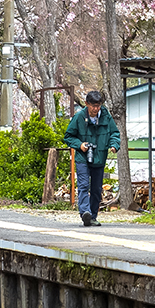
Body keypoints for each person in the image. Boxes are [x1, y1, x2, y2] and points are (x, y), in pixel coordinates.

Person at [62, 90, 121, 227]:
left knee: (96, 189)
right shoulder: (79, 117)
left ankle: (92, 217)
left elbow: (114, 133)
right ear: (86, 104)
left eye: (98, 106)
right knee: (83, 185)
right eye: (93, 106)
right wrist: (80, 145)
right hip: (83, 157)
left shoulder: (106, 117)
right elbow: (68, 136)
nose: (96, 109)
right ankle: (85, 212)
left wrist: (113, 145)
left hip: (99, 157)